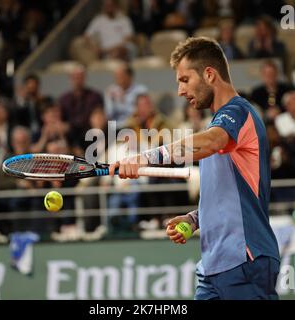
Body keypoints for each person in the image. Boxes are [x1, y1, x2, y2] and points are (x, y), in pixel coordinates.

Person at [109, 37, 280, 300]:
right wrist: (194, 218)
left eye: (184, 80)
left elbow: (212, 141)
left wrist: (144, 158)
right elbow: (226, 195)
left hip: (245, 260)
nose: (179, 90)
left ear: (209, 74)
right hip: (212, 268)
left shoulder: (237, 114)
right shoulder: (216, 129)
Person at [59, 64, 104, 145]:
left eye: (80, 77)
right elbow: (61, 118)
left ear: (84, 78)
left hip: (89, 130)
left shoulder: (95, 96)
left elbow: (98, 114)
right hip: (70, 133)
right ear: (70, 79)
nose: (78, 80)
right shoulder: (64, 99)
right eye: (75, 77)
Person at [104, 62, 148, 128]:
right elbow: (108, 114)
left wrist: (123, 102)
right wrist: (112, 100)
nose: (117, 78)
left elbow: (141, 112)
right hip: (116, 127)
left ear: (129, 76)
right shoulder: (111, 91)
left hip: (135, 126)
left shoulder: (140, 90)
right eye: (116, 76)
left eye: (121, 76)